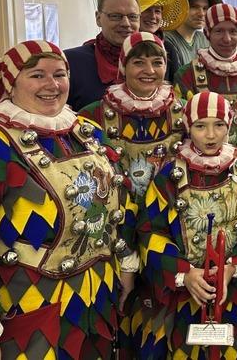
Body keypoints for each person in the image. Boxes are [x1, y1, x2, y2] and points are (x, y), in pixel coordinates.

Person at [0, 40, 136, 358]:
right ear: (11, 82)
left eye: (60, 74)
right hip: (28, 296)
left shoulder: (87, 130)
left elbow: (117, 201)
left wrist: (126, 261)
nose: (52, 85)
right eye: (37, 75)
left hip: (98, 287)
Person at [138, 91, 237, 359]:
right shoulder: (169, 175)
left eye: (219, 125)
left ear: (229, 126)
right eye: (201, 126)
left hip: (230, 285)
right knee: (183, 349)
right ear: (188, 127)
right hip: (185, 291)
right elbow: (150, 231)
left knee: (232, 348)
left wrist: (232, 268)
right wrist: (185, 274)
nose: (211, 135)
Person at [79, 32, 186, 355]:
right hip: (115, 226)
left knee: (162, 296)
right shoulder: (95, 113)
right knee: (119, 298)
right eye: (138, 61)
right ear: (123, 65)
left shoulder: (182, 110)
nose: (148, 70)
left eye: (157, 62)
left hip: (167, 223)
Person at [173, 3, 237, 193]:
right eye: (219, 31)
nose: (227, 38)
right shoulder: (188, 74)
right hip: (201, 175)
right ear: (207, 34)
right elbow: (180, 131)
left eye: (233, 31)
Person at [65, 0, 140, 110]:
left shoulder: (153, 62)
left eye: (132, 17)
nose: (126, 23)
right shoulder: (71, 62)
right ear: (98, 18)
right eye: (115, 16)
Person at [131, 0, 189, 82]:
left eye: (157, 11)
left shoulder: (168, 47)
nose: (153, 16)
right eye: (147, 10)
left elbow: (176, 86)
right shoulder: (125, 45)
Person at [163, 0, 223, 68]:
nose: (201, 13)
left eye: (205, 8)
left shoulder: (205, 39)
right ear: (180, 8)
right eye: (194, 7)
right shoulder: (167, 39)